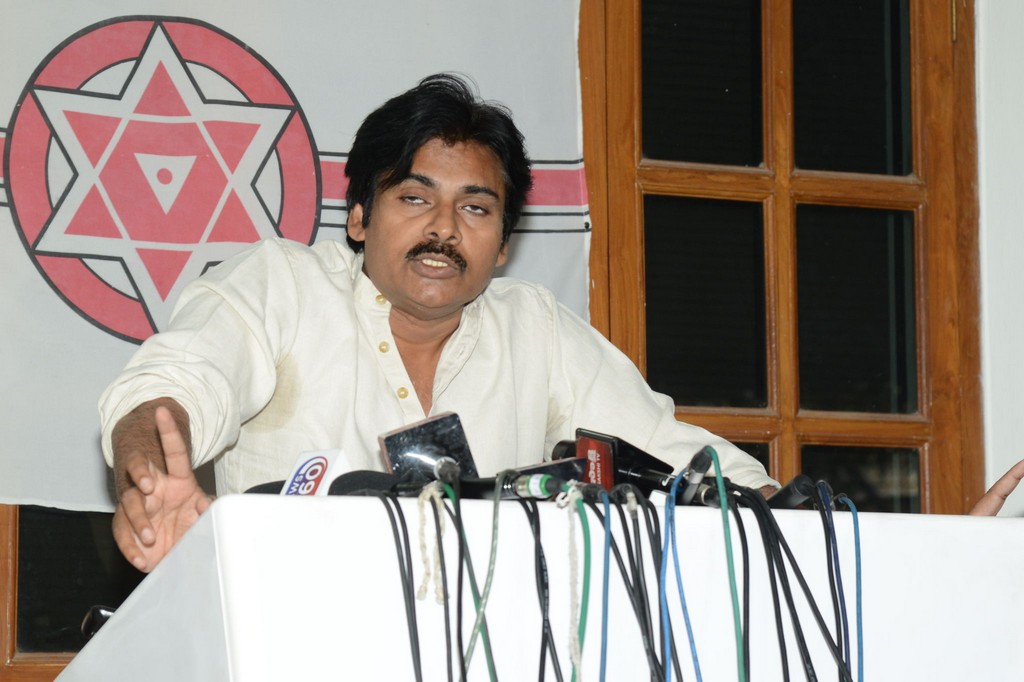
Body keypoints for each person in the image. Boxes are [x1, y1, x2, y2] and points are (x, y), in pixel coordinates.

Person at [100, 73, 778, 573]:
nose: (444, 229)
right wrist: (150, 481)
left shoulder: (534, 328)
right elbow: (171, 391)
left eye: (476, 209)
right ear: (359, 217)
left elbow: (671, 454)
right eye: (415, 198)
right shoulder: (283, 286)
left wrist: (785, 510)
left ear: (504, 245)